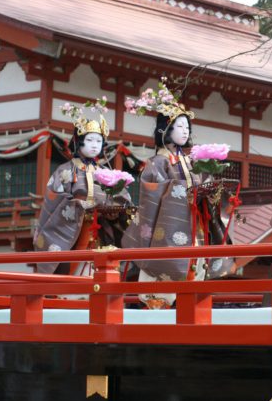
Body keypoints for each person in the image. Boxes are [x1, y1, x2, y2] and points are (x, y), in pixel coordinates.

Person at [122, 82, 234, 308]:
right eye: (180, 126)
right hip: (167, 231)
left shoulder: (189, 162)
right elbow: (153, 198)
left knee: (196, 269)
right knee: (166, 285)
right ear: (166, 129)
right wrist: (186, 193)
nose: (186, 131)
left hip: (192, 227)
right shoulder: (157, 162)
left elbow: (197, 190)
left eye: (187, 127)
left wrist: (209, 189)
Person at [34, 106, 132, 275]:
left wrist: (116, 205)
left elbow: (122, 198)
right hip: (73, 231)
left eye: (99, 141)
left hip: (101, 230)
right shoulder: (65, 170)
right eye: (90, 140)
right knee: (69, 269)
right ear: (79, 141)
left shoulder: (105, 172)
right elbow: (54, 198)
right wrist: (79, 205)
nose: (95, 145)